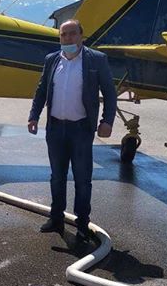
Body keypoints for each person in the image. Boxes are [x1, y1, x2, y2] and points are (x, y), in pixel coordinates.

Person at [27, 19, 117, 244]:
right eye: (63, 35)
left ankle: (82, 223)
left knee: (82, 179)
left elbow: (109, 93)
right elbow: (41, 91)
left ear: (81, 35)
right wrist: (33, 115)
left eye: (72, 34)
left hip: (81, 130)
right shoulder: (52, 60)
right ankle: (56, 218)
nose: (68, 38)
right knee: (57, 176)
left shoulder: (96, 60)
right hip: (56, 128)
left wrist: (107, 121)